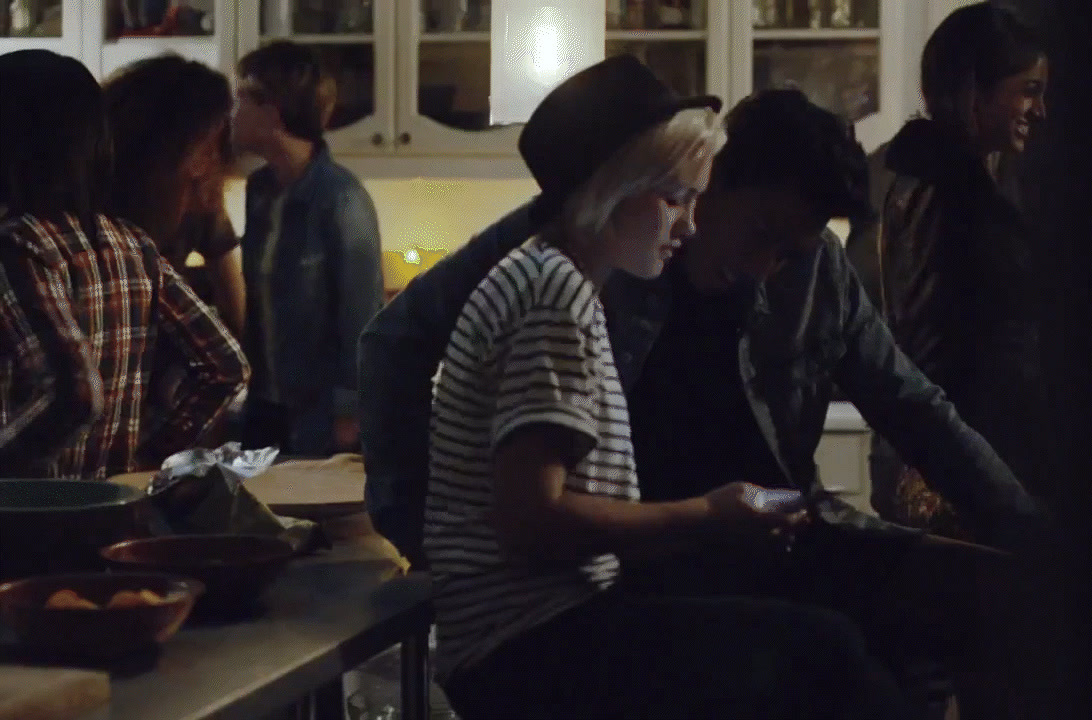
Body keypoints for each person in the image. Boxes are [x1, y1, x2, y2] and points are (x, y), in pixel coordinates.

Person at [420, 55, 928, 720]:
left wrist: (719, 526)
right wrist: (710, 515)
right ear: (615, 189)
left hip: (546, 627)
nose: (689, 226)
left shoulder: (554, 280)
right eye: (676, 199)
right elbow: (530, 523)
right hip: (526, 647)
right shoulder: (554, 298)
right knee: (827, 650)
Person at [0, 49, 248, 478]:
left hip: (29, 523)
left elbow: (75, 394)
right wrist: (147, 459)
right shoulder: (132, 243)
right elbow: (226, 366)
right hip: (114, 514)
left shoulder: (18, 246)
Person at [873, 3, 1050, 541]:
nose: (1040, 110)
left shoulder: (940, 179)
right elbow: (931, 346)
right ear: (975, 90)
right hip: (960, 470)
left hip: (961, 459)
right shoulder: (946, 193)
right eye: (1029, 89)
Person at [230, 40, 383, 456]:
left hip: (318, 416)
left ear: (273, 112)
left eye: (241, 100)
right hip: (263, 406)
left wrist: (350, 411)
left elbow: (362, 314)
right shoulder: (258, 191)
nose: (233, 114)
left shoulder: (342, 199)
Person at [103, 53, 246, 337]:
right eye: (211, 141)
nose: (216, 156)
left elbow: (234, 301)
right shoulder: (101, 203)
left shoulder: (202, 198)